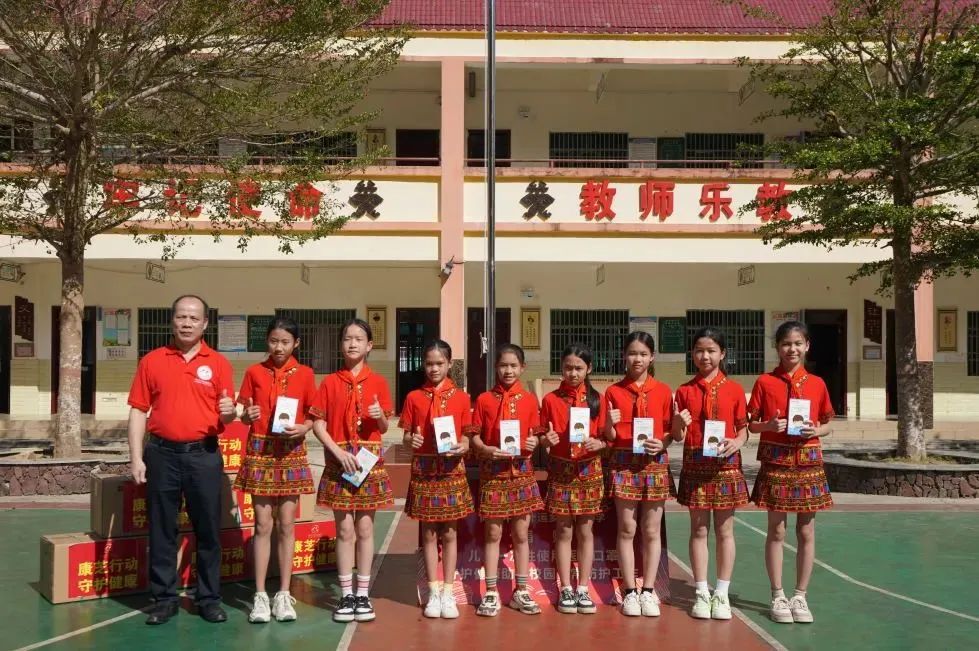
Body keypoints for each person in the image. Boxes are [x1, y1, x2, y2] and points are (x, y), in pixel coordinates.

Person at [127, 295, 235, 625]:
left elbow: (227, 414)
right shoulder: (152, 361)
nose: (187, 323)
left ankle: (209, 598)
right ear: (172, 320)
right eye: (181, 317)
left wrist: (230, 413)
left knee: (208, 529)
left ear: (205, 324)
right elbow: (138, 411)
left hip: (203, 455)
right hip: (161, 455)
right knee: (162, 529)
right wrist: (136, 457)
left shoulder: (219, 364)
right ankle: (163, 599)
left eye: (194, 318)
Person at [748, 320, 834, 624]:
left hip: (808, 462)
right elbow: (751, 424)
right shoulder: (764, 382)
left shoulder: (818, 383)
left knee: (806, 530)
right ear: (777, 347)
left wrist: (817, 430)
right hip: (776, 461)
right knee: (777, 530)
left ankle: (800, 595)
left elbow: (827, 422)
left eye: (798, 343)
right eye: (786, 344)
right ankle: (777, 594)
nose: (792, 349)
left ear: (807, 346)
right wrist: (768, 426)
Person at [311, 318, 395, 624]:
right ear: (340, 345)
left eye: (359, 339)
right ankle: (346, 594)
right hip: (340, 461)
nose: (352, 343)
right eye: (347, 338)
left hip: (368, 463)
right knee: (344, 529)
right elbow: (318, 424)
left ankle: (363, 593)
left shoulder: (379, 382)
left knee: (365, 529)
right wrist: (337, 452)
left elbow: (384, 427)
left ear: (369, 345)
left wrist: (379, 416)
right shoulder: (329, 383)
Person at [235, 317, 317, 623]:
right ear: (266, 341)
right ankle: (259, 595)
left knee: (287, 525)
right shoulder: (254, 372)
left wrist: (304, 428)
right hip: (260, 450)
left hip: (291, 451)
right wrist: (248, 415)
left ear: (296, 343)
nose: (279, 347)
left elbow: (313, 415)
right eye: (273, 341)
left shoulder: (306, 374)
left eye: (285, 342)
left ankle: (283, 593)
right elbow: (243, 413)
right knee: (262, 524)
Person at [672, 327, 750, 621]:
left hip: (725, 465)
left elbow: (743, 429)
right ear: (692, 354)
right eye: (699, 351)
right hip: (695, 464)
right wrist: (678, 423)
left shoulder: (734, 389)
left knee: (725, 530)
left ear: (722, 353)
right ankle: (702, 592)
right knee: (699, 530)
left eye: (711, 350)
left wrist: (737, 442)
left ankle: (722, 592)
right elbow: (677, 436)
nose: (705, 356)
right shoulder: (684, 391)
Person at [399, 339, 473, 619]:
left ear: (449, 364)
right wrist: (412, 440)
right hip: (425, 469)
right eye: (429, 363)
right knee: (429, 533)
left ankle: (448, 591)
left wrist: (463, 446)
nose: (434, 368)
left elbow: (467, 436)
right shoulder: (413, 397)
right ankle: (432, 591)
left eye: (439, 363)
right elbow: (406, 436)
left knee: (450, 532)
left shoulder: (462, 398)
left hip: (451, 469)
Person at [603, 331, 675, 618]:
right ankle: (630, 590)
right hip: (623, 463)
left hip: (654, 463)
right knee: (627, 528)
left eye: (643, 354)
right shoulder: (613, 392)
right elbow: (609, 437)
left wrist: (663, 442)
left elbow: (671, 432)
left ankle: (648, 590)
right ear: (624, 356)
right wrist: (609, 424)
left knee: (651, 529)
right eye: (632, 353)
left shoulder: (664, 391)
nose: (637, 359)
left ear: (652, 357)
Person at [471, 344, 544, 617]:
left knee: (521, 534)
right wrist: (485, 449)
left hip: (522, 473)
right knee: (493, 534)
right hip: (493, 474)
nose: (508, 371)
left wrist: (534, 442)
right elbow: (474, 436)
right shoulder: (484, 400)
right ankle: (491, 591)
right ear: (496, 368)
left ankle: (521, 590)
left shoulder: (530, 400)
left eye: (514, 365)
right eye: (503, 365)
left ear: (522, 368)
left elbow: (536, 435)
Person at [540, 344, 608, 615]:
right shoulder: (550, 400)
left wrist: (599, 444)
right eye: (568, 367)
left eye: (579, 368)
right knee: (564, 530)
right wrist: (546, 440)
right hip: (561, 470)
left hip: (589, 470)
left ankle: (583, 587)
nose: (573, 373)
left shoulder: (598, 400)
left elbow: (607, 438)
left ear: (588, 369)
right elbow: (541, 436)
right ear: (561, 368)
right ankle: (566, 587)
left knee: (585, 531)